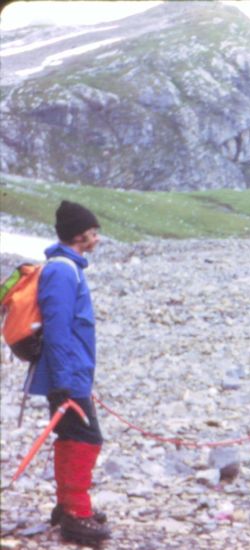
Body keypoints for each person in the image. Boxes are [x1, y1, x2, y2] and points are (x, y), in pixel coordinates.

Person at [28, 201, 111, 545]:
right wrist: (64, 383)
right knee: (87, 438)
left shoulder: (67, 268)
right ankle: (78, 515)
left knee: (71, 435)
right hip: (67, 376)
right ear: (80, 236)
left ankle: (67, 506)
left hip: (71, 374)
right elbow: (59, 331)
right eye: (94, 233)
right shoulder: (63, 272)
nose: (97, 239)